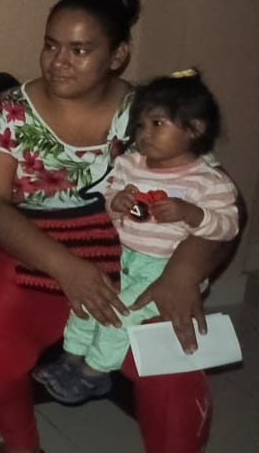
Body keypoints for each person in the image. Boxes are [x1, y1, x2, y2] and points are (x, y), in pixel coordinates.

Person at [0, 0, 237, 453]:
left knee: (173, 368)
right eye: (51, 45)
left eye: (80, 49)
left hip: (134, 248)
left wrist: (183, 273)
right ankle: (21, 445)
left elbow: (217, 199)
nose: (58, 61)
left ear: (118, 55)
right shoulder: (9, 111)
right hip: (29, 239)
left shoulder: (150, 114)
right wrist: (67, 268)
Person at [31, 69, 239, 404]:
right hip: (123, 256)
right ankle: (71, 357)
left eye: (157, 124)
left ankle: (95, 373)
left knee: (121, 315)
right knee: (90, 301)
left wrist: (192, 214)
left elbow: (227, 226)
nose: (145, 134)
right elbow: (111, 199)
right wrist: (118, 202)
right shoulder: (131, 163)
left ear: (194, 129)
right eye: (140, 125)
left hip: (164, 268)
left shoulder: (208, 181)